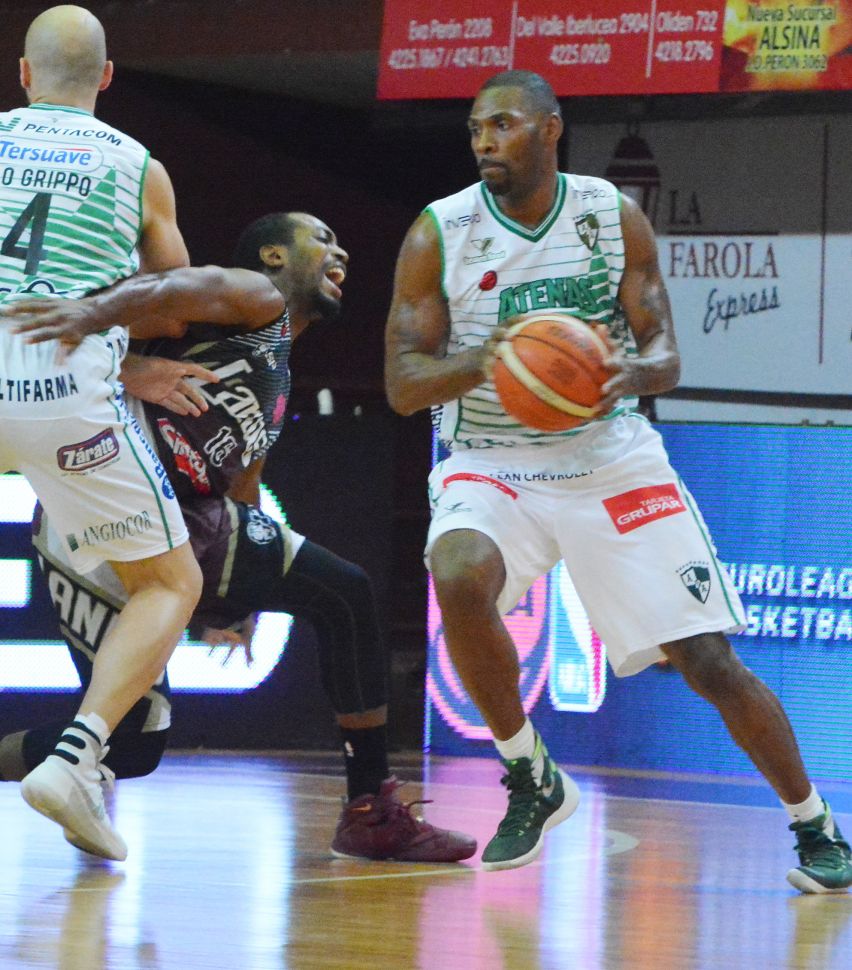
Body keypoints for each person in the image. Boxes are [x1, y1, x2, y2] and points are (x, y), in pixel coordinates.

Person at [383, 69, 852, 892]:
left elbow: (665, 352)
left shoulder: (609, 213)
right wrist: (487, 360)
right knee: (456, 573)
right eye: (475, 128)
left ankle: (815, 826)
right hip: (490, 456)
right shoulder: (439, 232)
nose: (485, 140)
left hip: (606, 455)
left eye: (503, 124)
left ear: (551, 128)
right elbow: (402, 385)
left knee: (707, 660)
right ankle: (529, 772)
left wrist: (629, 373)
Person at [2, 211, 477, 864]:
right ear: (274, 255)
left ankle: (371, 812)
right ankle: (371, 813)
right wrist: (127, 364)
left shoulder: (274, 374)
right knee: (337, 597)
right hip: (103, 508)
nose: (340, 252)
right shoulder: (253, 294)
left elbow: (244, 486)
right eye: (323, 237)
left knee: (142, 739)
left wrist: (241, 601)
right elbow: (166, 288)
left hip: (178, 521)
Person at [0, 5, 202, 861]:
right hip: (60, 390)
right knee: (169, 583)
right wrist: (135, 359)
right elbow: (176, 300)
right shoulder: (138, 167)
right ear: (108, 78)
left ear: (23, 74)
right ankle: (77, 759)